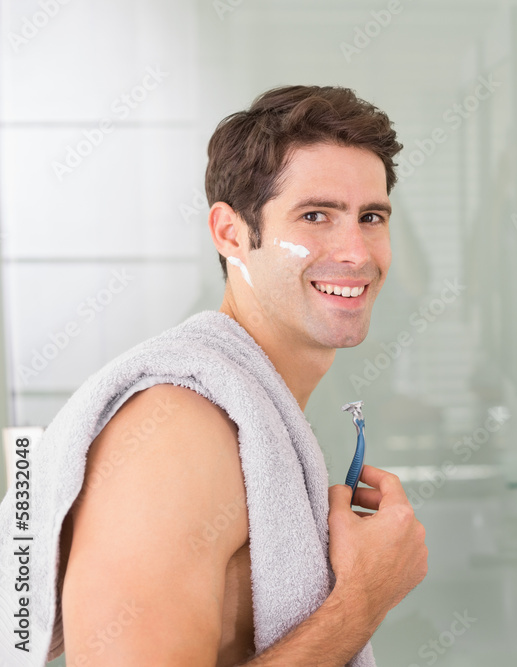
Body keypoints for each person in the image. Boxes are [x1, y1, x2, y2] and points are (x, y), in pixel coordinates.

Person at [3, 86, 427, 666]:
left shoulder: (255, 413)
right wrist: (362, 600)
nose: (355, 251)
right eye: (315, 216)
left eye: (371, 217)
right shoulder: (175, 434)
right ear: (231, 234)